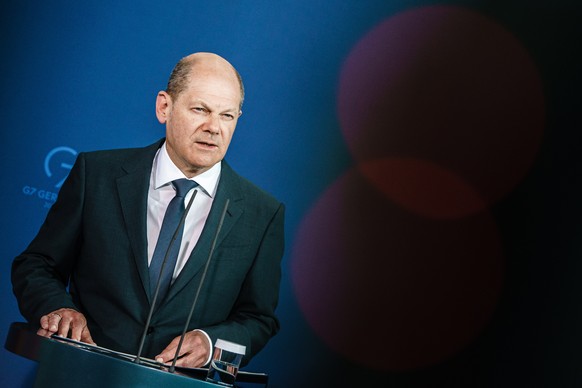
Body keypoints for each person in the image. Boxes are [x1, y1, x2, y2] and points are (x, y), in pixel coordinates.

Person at [11, 52, 285, 369]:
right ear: (164, 107)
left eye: (227, 116)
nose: (214, 128)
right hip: (80, 373)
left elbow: (258, 319)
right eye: (201, 109)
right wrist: (58, 308)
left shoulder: (262, 213)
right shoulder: (96, 174)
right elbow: (36, 265)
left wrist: (211, 345)